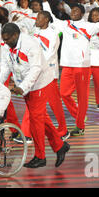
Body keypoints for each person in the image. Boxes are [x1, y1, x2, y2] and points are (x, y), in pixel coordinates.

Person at [0, 22, 70, 168]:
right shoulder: (7, 45)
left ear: (16, 35)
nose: (5, 43)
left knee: (35, 120)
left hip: (39, 83)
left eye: (7, 39)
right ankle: (59, 145)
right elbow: (5, 66)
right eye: (3, 40)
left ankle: (40, 157)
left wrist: (23, 87)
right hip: (24, 84)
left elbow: (35, 69)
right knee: (41, 118)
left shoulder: (30, 44)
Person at [42, 0, 99, 136]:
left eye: (76, 11)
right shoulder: (65, 25)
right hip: (67, 65)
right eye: (72, 11)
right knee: (64, 94)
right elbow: (51, 17)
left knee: (82, 97)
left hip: (82, 66)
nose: (73, 12)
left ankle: (80, 125)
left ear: (82, 14)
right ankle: (79, 114)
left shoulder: (88, 26)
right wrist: (45, 1)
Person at [33, 10, 69, 139]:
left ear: (46, 20)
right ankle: (28, 132)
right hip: (38, 72)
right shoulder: (36, 32)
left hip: (48, 73)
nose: (36, 20)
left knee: (55, 104)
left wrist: (36, 67)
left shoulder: (53, 34)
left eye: (39, 18)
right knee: (36, 105)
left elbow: (48, 55)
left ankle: (63, 129)